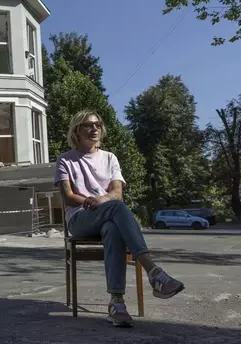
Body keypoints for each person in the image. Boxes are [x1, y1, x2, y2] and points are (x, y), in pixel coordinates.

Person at [55, 109, 184, 327]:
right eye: (88, 124)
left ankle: (117, 304)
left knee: (113, 229)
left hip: (108, 214)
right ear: (77, 130)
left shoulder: (110, 158)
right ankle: (154, 272)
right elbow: (68, 197)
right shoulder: (65, 160)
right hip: (80, 219)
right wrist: (91, 200)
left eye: (98, 124)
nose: (94, 128)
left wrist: (102, 199)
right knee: (115, 207)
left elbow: (117, 192)